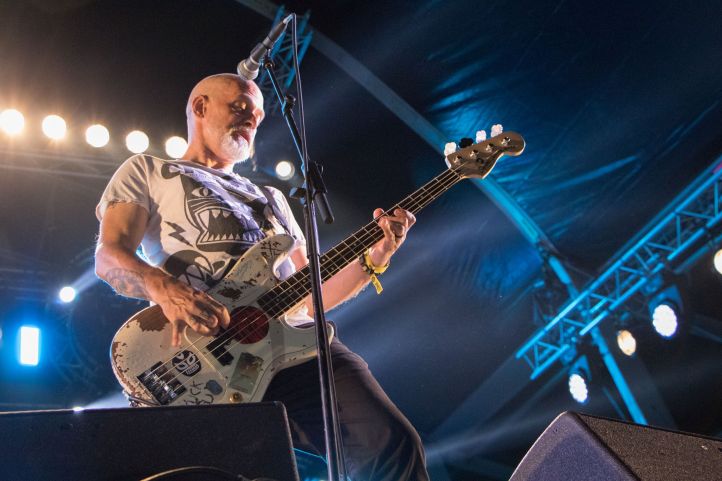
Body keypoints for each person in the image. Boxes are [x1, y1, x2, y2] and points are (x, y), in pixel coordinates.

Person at [94, 73, 429, 481]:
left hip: (297, 348)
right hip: (206, 354)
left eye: (257, 116)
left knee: (391, 445)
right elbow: (110, 256)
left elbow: (311, 295)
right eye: (240, 107)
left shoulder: (272, 199)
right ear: (200, 107)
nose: (251, 120)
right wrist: (167, 290)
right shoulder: (149, 169)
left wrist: (376, 256)